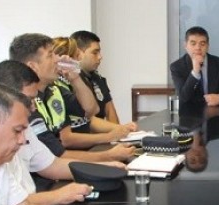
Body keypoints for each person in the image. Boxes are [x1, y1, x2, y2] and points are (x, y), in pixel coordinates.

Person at [0, 59, 125, 205]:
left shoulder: (26, 127)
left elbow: (52, 165)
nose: (33, 107)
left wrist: (101, 168)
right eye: (29, 100)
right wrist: (60, 196)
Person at [8, 33, 134, 163]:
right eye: (50, 55)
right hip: (51, 169)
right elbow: (57, 155)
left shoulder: (54, 90)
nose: (57, 59)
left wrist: (75, 78)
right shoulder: (24, 102)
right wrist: (109, 153)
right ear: (32, 66)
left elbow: (91, 110)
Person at [51, 36, 136, 149]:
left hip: (85, 146)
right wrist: (109, 136)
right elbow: (66, 139)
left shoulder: (77, 80)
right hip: (73, 150)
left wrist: (119, 129)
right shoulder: (55, 88)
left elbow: (91, 113)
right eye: (75, 56)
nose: (79, 60)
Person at [170, 26, 219, 109]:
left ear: (207, 46)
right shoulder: (177, 67)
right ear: (185, 45)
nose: (198, 48)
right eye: (193, 43)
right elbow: (183, 97)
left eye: (202, 44)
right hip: (189, 113)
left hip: (216, 112)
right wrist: (195, 72)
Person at [71, 29, 122, 123]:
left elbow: (110, 110)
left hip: (105, 130)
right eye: (95, 53)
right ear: (78, 53)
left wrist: (118, 130)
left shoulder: (97, 77)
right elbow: (87, 120)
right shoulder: (70, 80)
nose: (100, 57)